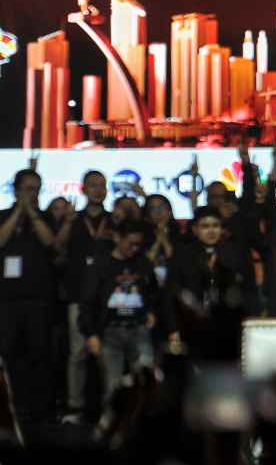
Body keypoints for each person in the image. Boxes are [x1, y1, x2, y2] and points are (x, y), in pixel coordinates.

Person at [54, 170, 113, 424]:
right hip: (78, 294)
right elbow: (57, 246)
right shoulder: (73, 219)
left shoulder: (113, 220)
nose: (98, 190)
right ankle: (75, 406)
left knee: (108, 353)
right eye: (93, 185)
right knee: (77, 353)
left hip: (108, 297)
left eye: (102, 185)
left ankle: (109, 406)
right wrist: (67, 221)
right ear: (83, 189)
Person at [78, 218, 160, 400]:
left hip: (138, 329)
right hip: (110, 332)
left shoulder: (143, 263)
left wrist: (151, 310)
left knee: (146, 387)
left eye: (138, 244)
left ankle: (143, 427)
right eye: (131, 244)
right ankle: (116, 427)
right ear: (117, 238)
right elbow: (87, 302)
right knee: (113, 390)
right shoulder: (100, 266)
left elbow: (153, 291)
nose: (135, 249)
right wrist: (91, 333)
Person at [0, 169, 56, 424]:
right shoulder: (3, 216)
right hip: (6, 301)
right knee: (4, 358)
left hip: (38, 300)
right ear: (16, 190)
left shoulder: (44, 217)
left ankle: (41, 415)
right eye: (29, 189)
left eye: (37, 189)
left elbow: (49, 242)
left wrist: (31, 213)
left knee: (40, 358)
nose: (33, 194)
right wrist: (17, 213)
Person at [166, 206, 256, 358]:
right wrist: (172, 329)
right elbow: (170, 294)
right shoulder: (181, 254)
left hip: (229, 328)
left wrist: (252, 324)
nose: (211, 231)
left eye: (216, 225)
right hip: (192, 326)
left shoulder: (236, 252)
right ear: (195, 229)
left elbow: (250, 290)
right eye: (205, 226)